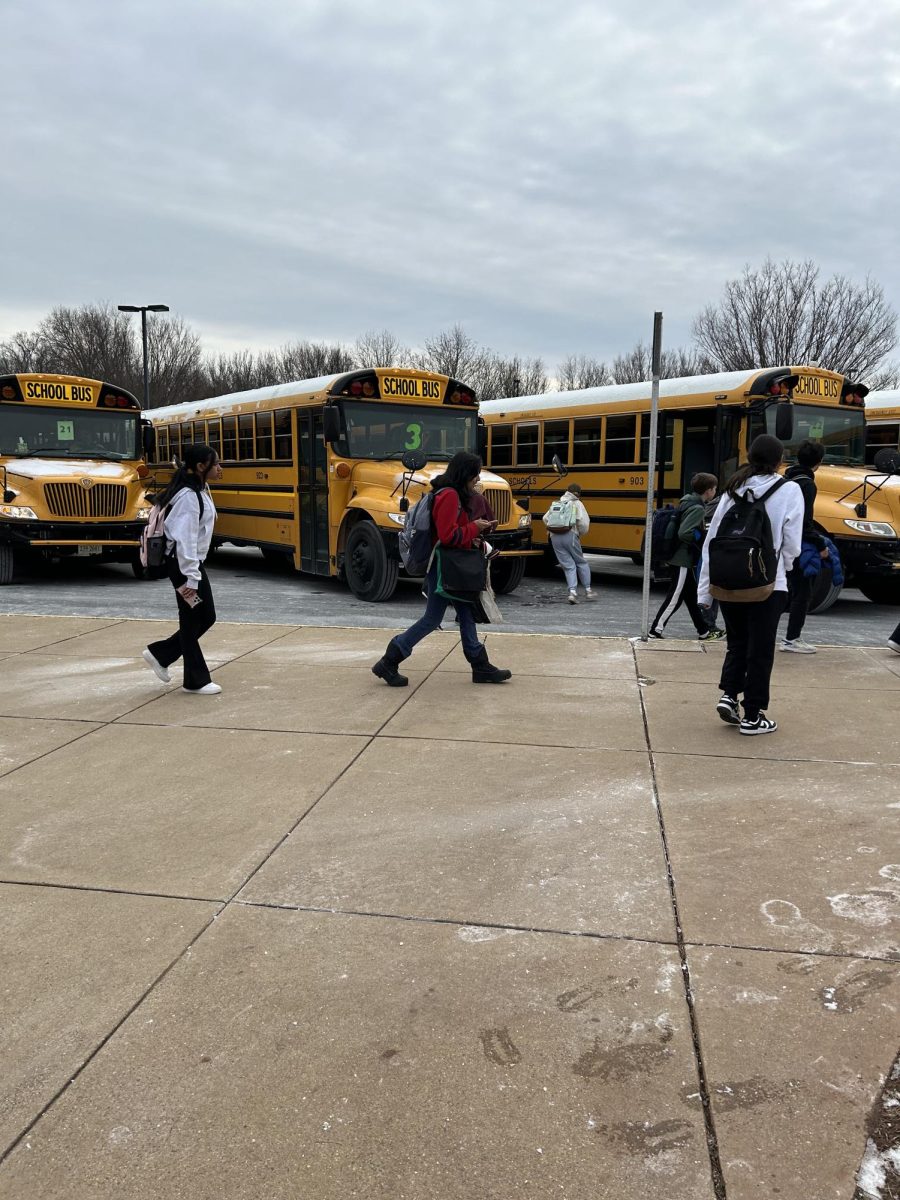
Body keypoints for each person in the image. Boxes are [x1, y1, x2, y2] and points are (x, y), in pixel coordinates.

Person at [372, 451, 511, 685]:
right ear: (465, 474)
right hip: (446, 567)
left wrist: (477, 530)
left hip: (451, 566)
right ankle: (390, 660)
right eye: (475, 475)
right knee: (432, 618)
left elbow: (454, 531)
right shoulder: (449, 496)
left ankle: (479, 665)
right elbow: (447, 536)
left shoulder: (451, 493)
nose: (478, 480)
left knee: (465, 613)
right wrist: (474, 528)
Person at [698, 434, 804, 735]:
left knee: (737, 642)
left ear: (750, 455)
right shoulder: (789, 489)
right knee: (760, 649)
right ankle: (754, 716)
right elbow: (792, 542)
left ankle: (730, 696)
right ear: (779, 461)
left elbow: (712, 539)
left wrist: (705, 589)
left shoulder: (733, 489)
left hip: (730, 579)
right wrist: (782, 569)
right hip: (768, 583)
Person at [142, 443, 223, 695]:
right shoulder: (189, 497)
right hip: (183, 566)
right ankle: (195, 680)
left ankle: (161, 654)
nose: (220, 468)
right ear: (201, 467)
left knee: (202, 616)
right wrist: (192, 577)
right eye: (216, 463)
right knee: (194, 617)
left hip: (188, 565)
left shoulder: (198, 489)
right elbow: (184, 540)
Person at [650, 473, 724, 640]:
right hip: (682, 558)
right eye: (714, 489)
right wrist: (701, 537)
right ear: (708, 490)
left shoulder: (687, 501)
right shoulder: (698, 508)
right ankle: (656, 629)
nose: (715, 491)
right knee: (674, 597)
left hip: (681, 557)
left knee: (690, 597)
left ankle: (704, 631)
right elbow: (684, 533)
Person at [780, 440, 828, 654]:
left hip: (779, 542)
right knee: (803, 593)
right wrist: (820, 544)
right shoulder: (807, 484)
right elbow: (805, 521)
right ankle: (792, 639)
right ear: (818, 462)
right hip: (798, 545)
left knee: (783, 591)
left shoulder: (786, 478)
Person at [543, 482, 595, 604]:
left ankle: (572, 592)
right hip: (570, 535)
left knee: (568, 565)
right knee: (581, 562)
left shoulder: (558, 502)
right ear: (578, 494)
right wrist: (578, 533)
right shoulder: (577, 504)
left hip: (554, 536)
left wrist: (555, 528)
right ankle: (588, 590)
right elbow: (583, 524)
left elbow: (545, 518)